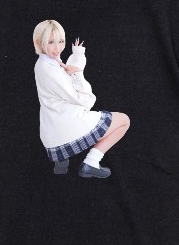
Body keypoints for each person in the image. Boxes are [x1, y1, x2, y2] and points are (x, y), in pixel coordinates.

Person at [33, 19, 130, 178]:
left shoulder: (44, 64)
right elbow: (85, 100)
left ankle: (62, 159)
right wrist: (78, 73)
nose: (57, 48)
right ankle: (91, 162)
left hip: (50, 132)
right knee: (124, 120)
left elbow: (64, 79)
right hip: (66, 128)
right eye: (51, 42)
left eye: (61, 41)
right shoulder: (51, 69)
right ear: (38, 42)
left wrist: (77, 56)